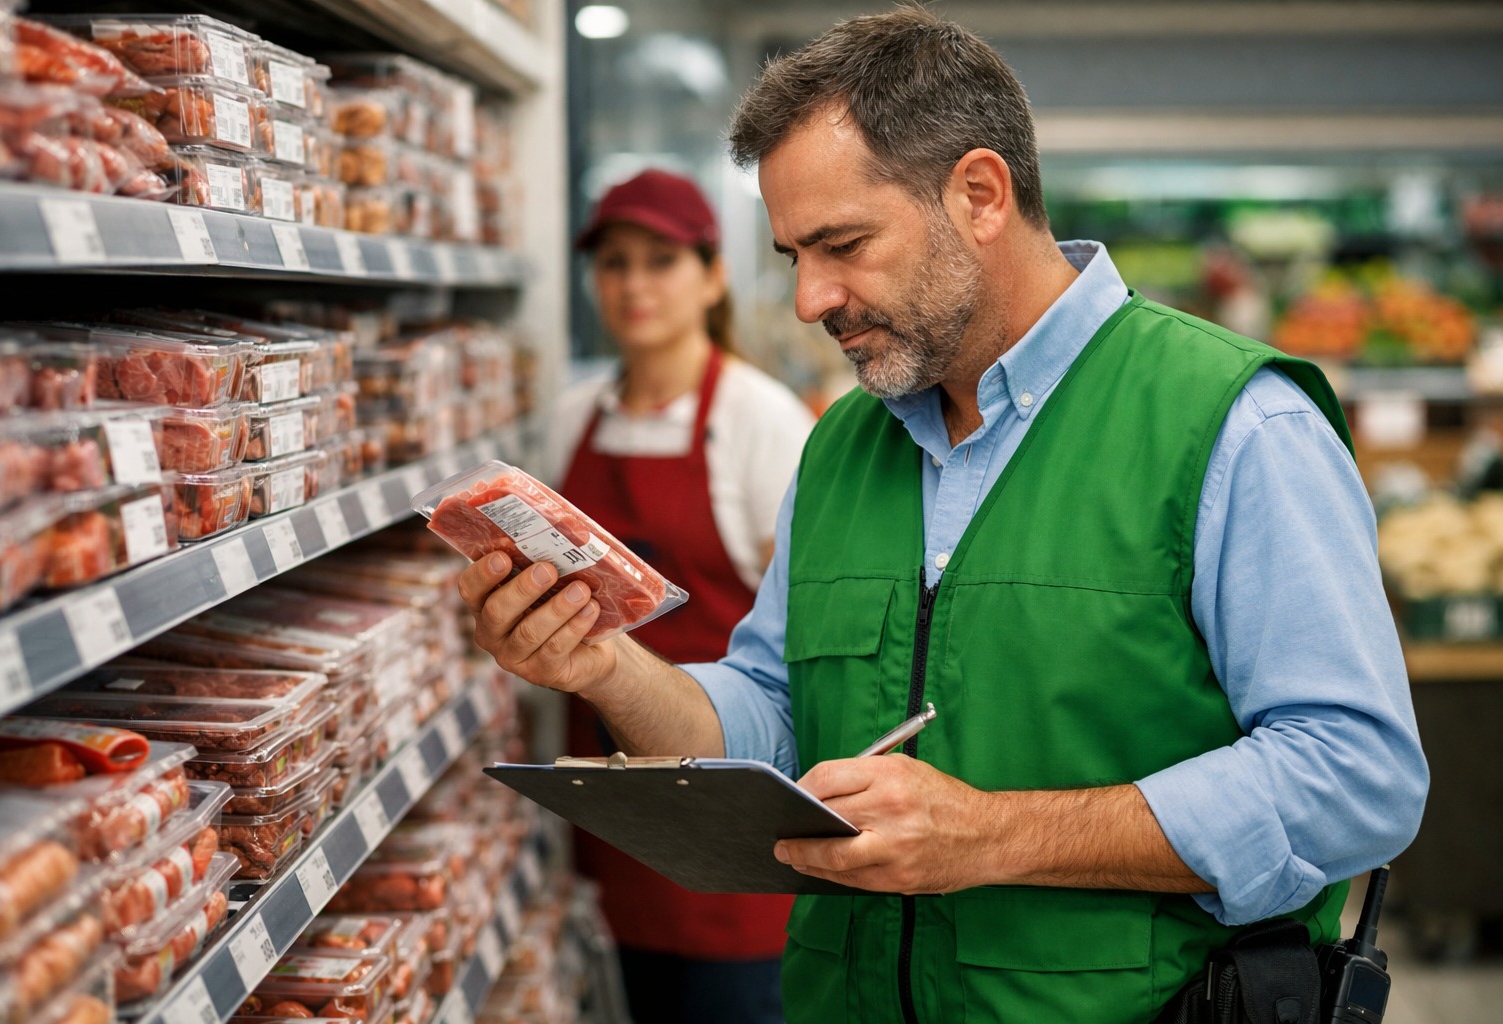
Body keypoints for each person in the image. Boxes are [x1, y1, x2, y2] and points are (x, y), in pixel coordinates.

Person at [459, 7, 1428, 1022]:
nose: (809, 299)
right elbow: (770, 718)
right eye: (793, 254)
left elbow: (1357, 775)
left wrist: (999, 832)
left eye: (842, 243)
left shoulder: (1232, 423)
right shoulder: (841, 445)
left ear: (979, 194)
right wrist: (602, 665)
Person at [542, 168, 815, 1024]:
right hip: (607, 824)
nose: (633, 285)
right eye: (614, 262)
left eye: (660, 260)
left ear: (712, 275)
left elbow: (803, 632)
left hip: (728, 832)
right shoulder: (572, 416)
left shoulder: (760, 421)